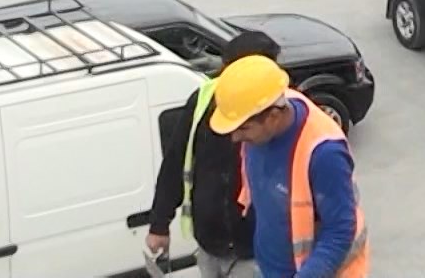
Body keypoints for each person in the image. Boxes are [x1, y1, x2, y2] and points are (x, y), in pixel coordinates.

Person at [207, 56, 367, 278]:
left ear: (273, 117)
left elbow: (339, 231)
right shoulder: (272, 104)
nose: (235, 138)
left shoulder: (324, 153)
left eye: (244, 129)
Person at [145, 31, 282, 278]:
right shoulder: (203, 101)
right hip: (210, 246)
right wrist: (159, 225)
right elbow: (176, 163)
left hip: (254, 252)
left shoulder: (277, 114)